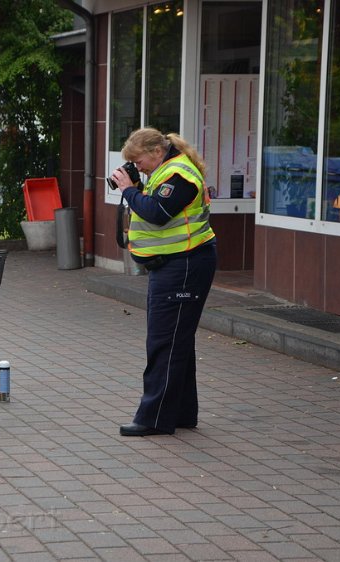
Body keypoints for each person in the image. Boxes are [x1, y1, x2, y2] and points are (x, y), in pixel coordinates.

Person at [110, 127, 217, 436]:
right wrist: (137, 187)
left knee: (164, 341)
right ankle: (182, 413)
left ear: (157, 152)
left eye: (138, 160)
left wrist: (129, 190)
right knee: (176, 340)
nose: (137, 166)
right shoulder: (167, 170)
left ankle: (154, 418)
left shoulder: (180, 174)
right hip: (175, 264)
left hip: (185, 264)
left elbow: (158, 213)